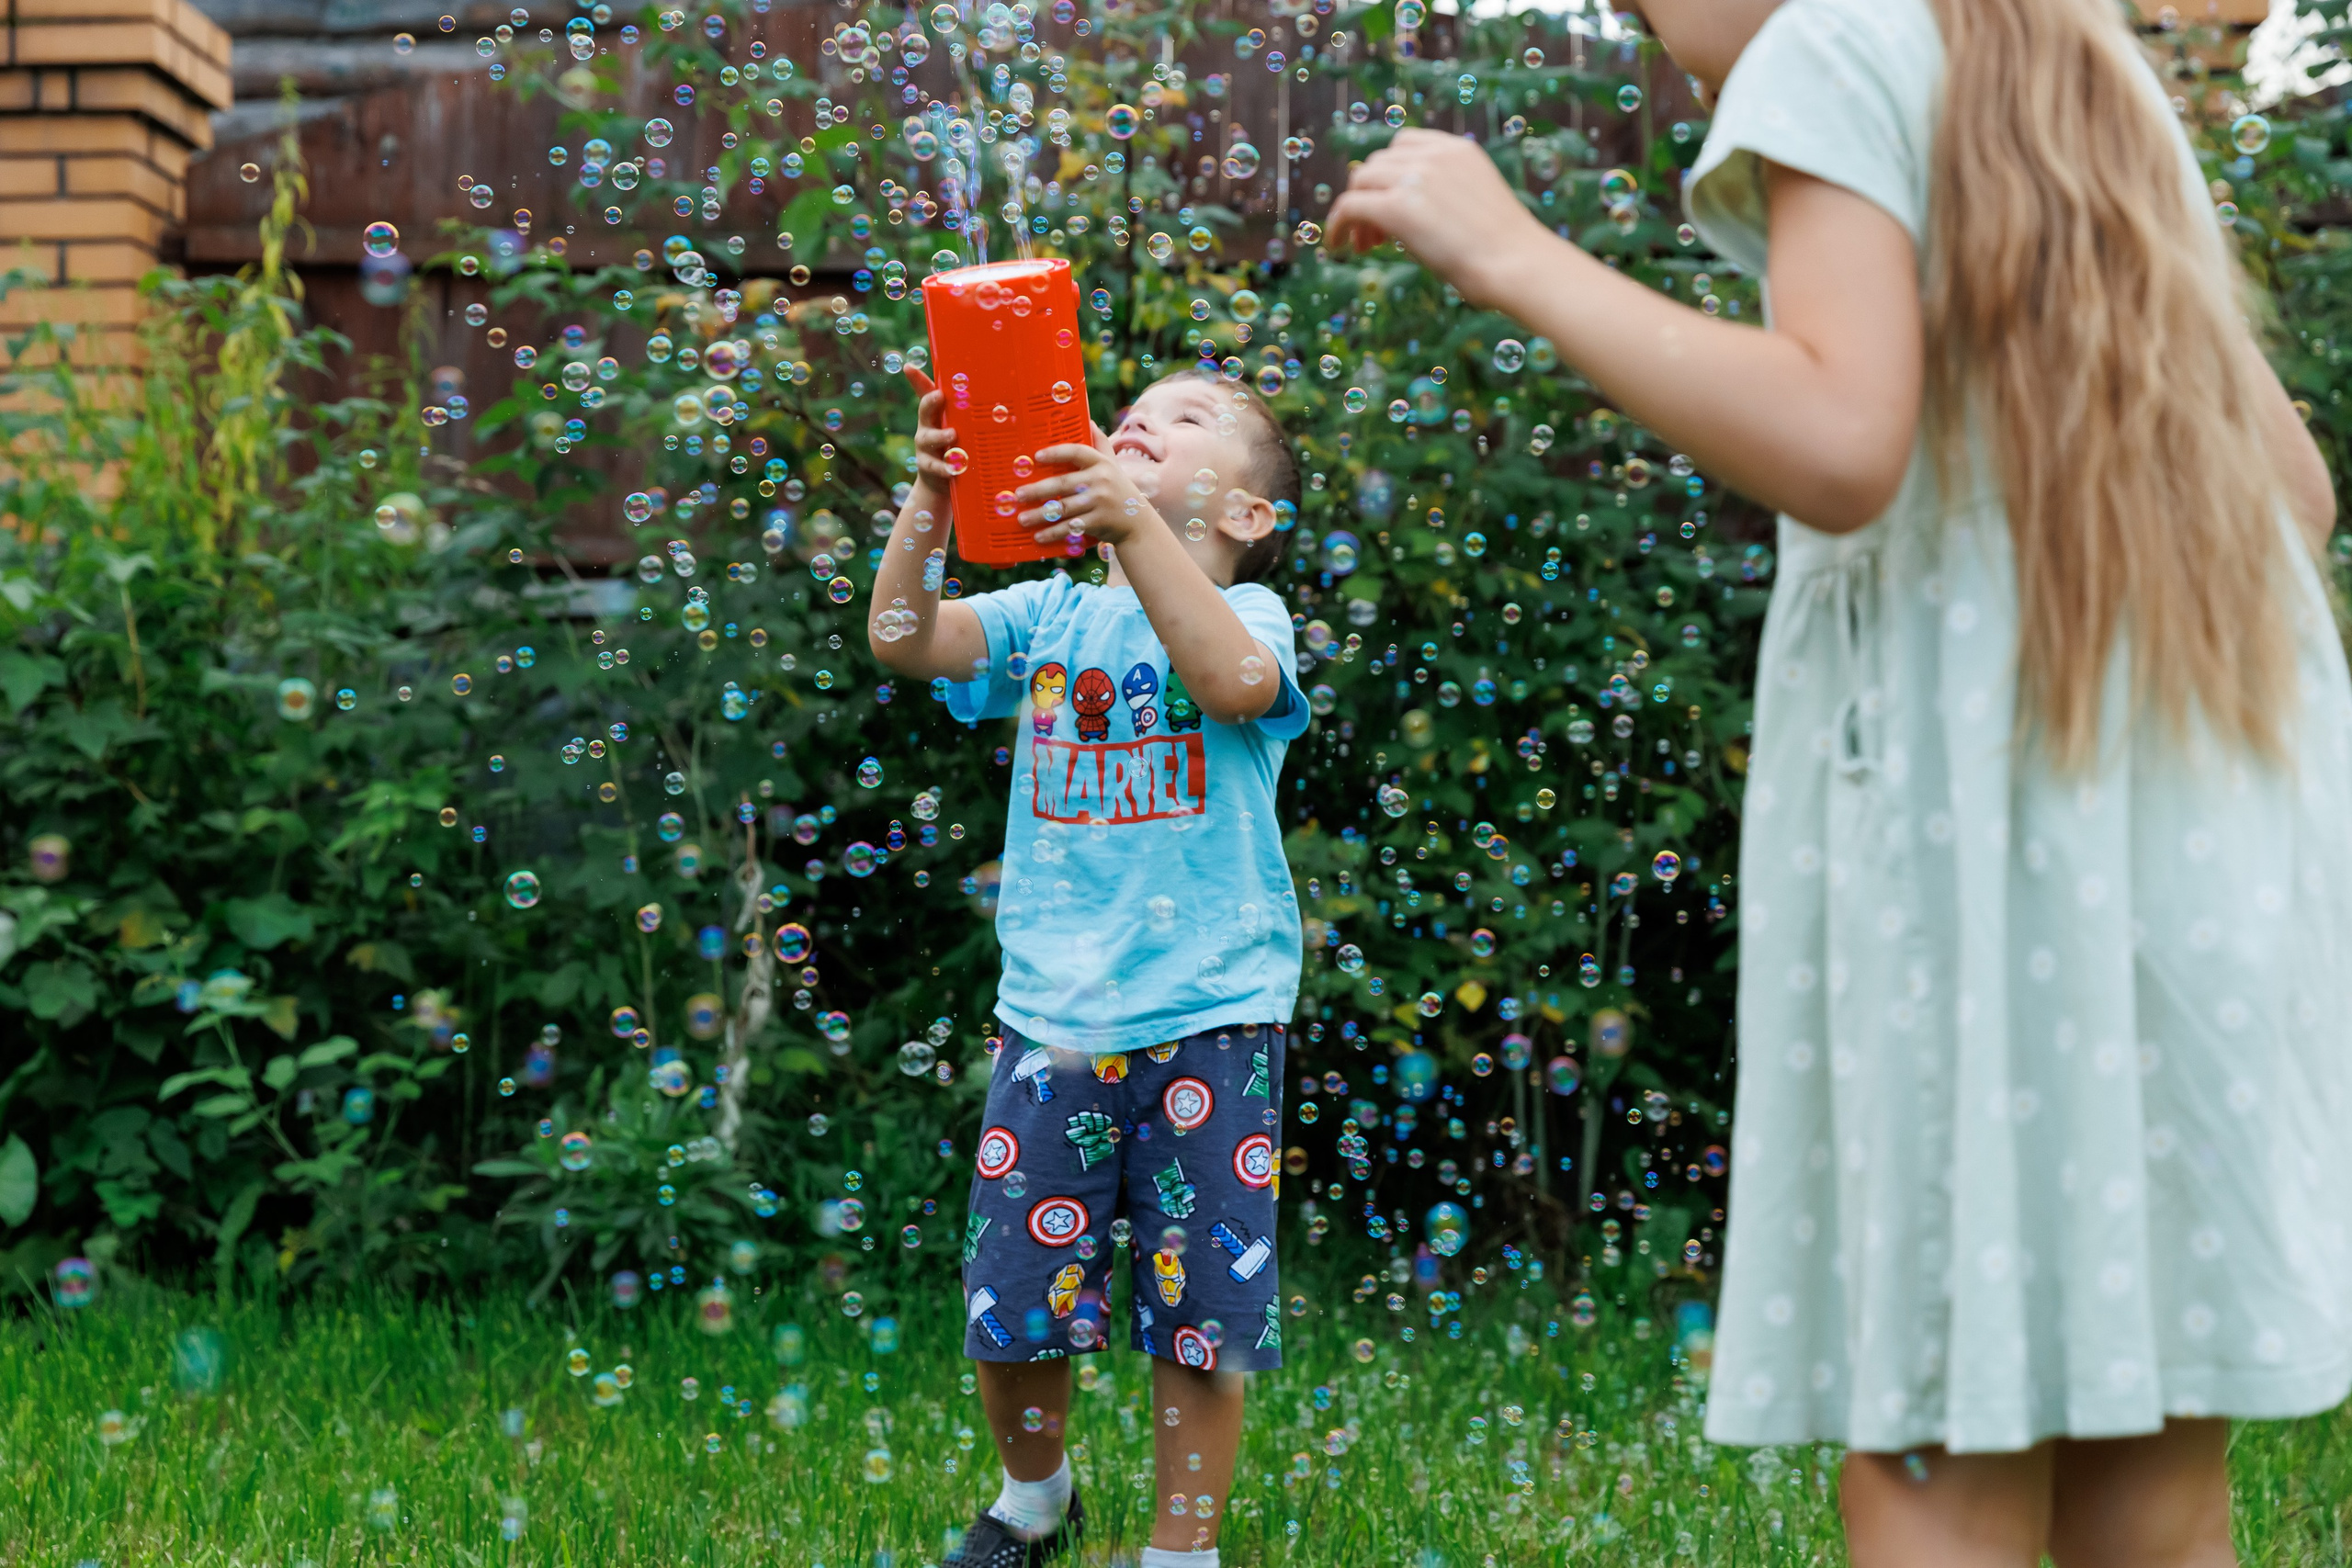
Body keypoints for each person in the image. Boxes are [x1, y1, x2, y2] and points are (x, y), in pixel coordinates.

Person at [1331, 0, 2346, 1562]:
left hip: (1987, 864)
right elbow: (2295, 490)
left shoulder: (1829, 46)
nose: (1640, 18)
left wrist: (1511, 254)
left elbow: (1842, 437)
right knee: (2145, 1467)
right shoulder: (2083, 64)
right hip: (2180, 852)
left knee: (1929, 1458)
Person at [868, 367, 1309, 1568]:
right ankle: (1037, 1497)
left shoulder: (1251, 622)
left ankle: (1180, 1549)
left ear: (1247, 519)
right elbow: (904, 640)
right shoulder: (1048, 619)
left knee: (1200, 1319)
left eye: (1190, 419)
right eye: (1139, 410)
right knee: (1011, 1304)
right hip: (1051, 1018)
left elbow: (1227, 682)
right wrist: (929, 498)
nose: (1145, 421)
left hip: (1211, 1017)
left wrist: (1124, 523)